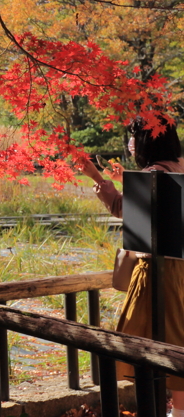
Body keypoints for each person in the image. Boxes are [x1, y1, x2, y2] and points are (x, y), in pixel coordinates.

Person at [79, 114, 184, 411]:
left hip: (156, 270)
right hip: (180, 268)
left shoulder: (152, 174)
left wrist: (97, 178)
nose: (130, 143)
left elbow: (127, 211)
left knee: (143, 342)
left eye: (133, 137)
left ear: (147, 141)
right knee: (178, 336)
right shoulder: (180, 167)